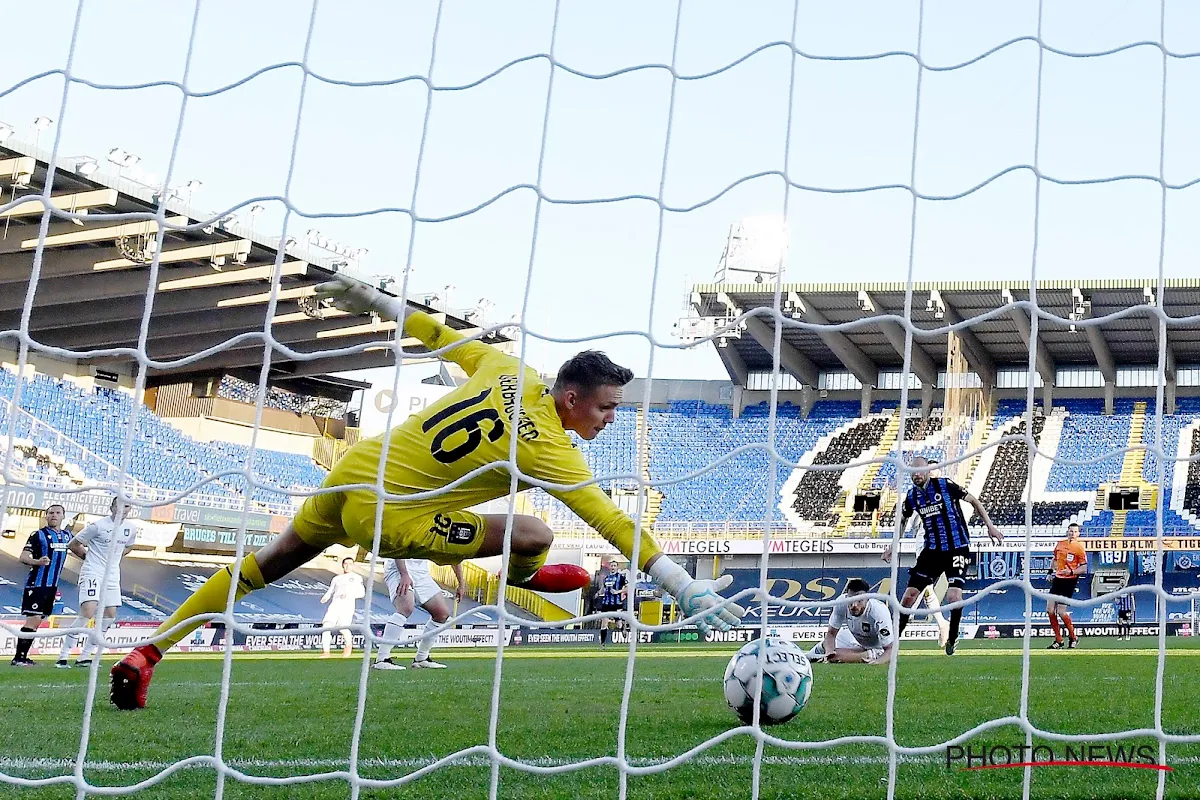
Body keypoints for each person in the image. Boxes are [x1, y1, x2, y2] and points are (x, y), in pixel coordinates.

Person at [112, 275, 743, 710]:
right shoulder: (549, 447)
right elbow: (611, 520)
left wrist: (372, 302)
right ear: (571, 398)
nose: (609, 419)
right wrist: (681, 585)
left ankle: (147, 652)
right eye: (606, 408)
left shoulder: (508, 369)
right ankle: (523, 577)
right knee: (535, 533)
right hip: (391, 517)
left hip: (355, 471)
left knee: (264, 566)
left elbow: (437, 335)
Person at [883, 456, 1003, 656]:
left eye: (920, 471)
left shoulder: (945, 485)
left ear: (929, 471)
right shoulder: (912, 496)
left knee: (953, 596)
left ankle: (953, 637)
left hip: (957, 547)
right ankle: (892, 646)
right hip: (932, 551)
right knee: (908, 597)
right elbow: (902, 521)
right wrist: (892, 546)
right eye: (913, 473)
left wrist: (989, 526)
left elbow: (973, 500)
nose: (917, 475)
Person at [58, 497, 137, 668]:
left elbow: (130, 546)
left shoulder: (130, 528)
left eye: (127, 506)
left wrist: (115, 558)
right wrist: (87, 557)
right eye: (120, 506)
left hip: (112, 575)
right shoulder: (98, 526)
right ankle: (63, 656)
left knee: (110, 614)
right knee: (88, 611)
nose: (123, 509)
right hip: (93, 571)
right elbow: (73, 544)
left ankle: (85, 656)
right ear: (112, 507)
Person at [11, 505, 75, 666]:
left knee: (38, 621)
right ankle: (19, 658)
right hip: (37, 584)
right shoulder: (38, 535)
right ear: (46, 516)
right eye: (51, 513)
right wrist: (37, 562)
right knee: (33, 620)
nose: (54, 515)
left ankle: (23, 657)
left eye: (57, 513)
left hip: (52, 586)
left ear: (63, 517)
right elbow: (23, 556)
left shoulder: (68, 536)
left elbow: (81, 550)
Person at [374, 558, 465, 670]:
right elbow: (399, 549)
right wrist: (404, 574)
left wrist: (461, 583)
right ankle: (382, 658)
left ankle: (422, 658)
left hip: (421, 572)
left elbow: (455, 556)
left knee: (441, 613)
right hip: (398, 568)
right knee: (406, 607)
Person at [806, 578, 895, 665]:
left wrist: (879, 661)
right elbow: (831, 634)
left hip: (876, 647)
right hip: (855, 639)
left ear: (867, 599)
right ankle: (806, 658)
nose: (854, 605)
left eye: (859, 601)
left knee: (838, 657)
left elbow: (890, 649)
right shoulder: (841, 602)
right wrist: (829, 652)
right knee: (825, 645)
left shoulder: (878, 611)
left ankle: (839, 657)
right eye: (851, 601)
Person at [1046, 523, 1087, 650]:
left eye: (1075, 532)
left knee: (1061, 612)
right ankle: (1058, 640)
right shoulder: (1060, 544)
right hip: (1058, 579)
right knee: (1050, 610)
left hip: (1069, 581)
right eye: (1070, 531)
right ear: (1067, 532)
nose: (1072, 533)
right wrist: (1050, 572)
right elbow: (1054, 559)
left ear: (1078, 534)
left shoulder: (1079, 548)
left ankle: (1073, 637)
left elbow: (1084, 568)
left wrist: (1071, 572)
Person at [319, 557, 365, 658]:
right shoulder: (336, 578)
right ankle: (326, 652)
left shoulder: (357, 578)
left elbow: (362, 593)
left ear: (353, 566)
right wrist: (325, 597)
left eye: (350, 564)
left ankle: (348, 646)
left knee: (343, 628)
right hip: (335, 605)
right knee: (326, 626)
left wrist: (350, 595)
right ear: (343, 565)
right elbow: (330, 591)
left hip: (347, 605)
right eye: (346, 564)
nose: (348, 566)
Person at [594, 558, 628, 647]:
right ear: (609, 567)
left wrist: (618, 592)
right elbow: (603, 589)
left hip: (616, 603)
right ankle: (602, 643)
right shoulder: (607, 578)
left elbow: (628, 588)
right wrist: (598, 593)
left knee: (618, 624)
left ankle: (622, 627)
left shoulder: (621, 577)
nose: (613, 567)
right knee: (604, 622)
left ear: (617, 567)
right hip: (606, 603)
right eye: (611, 565)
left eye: (614, 566)